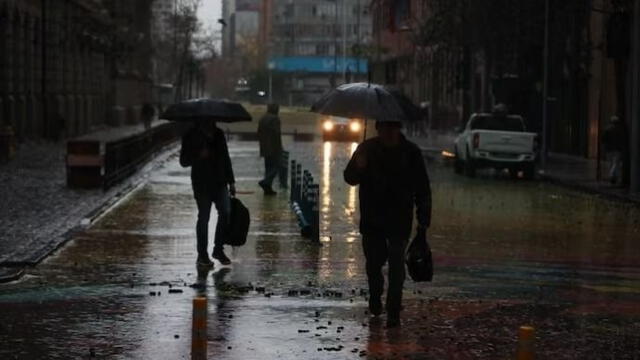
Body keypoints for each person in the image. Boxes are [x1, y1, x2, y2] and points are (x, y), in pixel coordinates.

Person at [344, 120, 432, 328]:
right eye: (385, 128)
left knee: (396, 267)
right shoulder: (366, 149)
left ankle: (394, 311)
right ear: (378, 129)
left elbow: (423, 189)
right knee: (373, 265)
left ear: (399, 129)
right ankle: (375, 296)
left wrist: (423, 222)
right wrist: (359, 166)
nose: (389, 133)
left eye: (393, 128)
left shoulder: (411, 153)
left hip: (399, 220)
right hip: (372, 220)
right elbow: (349, 178)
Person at [180, 120, 236, 267]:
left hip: (220, 181)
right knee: (204, 217)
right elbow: (183, 161)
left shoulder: (219, 134)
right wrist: (199, 156)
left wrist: (231, 181)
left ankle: (218, 249)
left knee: (225, 212)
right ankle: (202, 255)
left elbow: (225, 157)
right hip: (201, 183)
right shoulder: (191, 135)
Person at [257, 103, 283, 195]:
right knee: (277, 166)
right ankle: (265, 182)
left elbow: (259, 133)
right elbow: (277, 134)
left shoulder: (262, 118)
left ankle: (268, 189)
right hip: (274, 148)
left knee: (268, 168)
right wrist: (280, 148)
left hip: (264, 147)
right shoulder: (275, 119)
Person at [602, 115, 629, 185]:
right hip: (617, 149)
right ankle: (613, 176)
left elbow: (604, 140)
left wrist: (604, 148)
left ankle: (613, 177)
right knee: (615, 163)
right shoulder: (620, 129)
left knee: (612, 163)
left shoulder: (607, 129)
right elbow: (623, 139)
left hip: (609, 149)